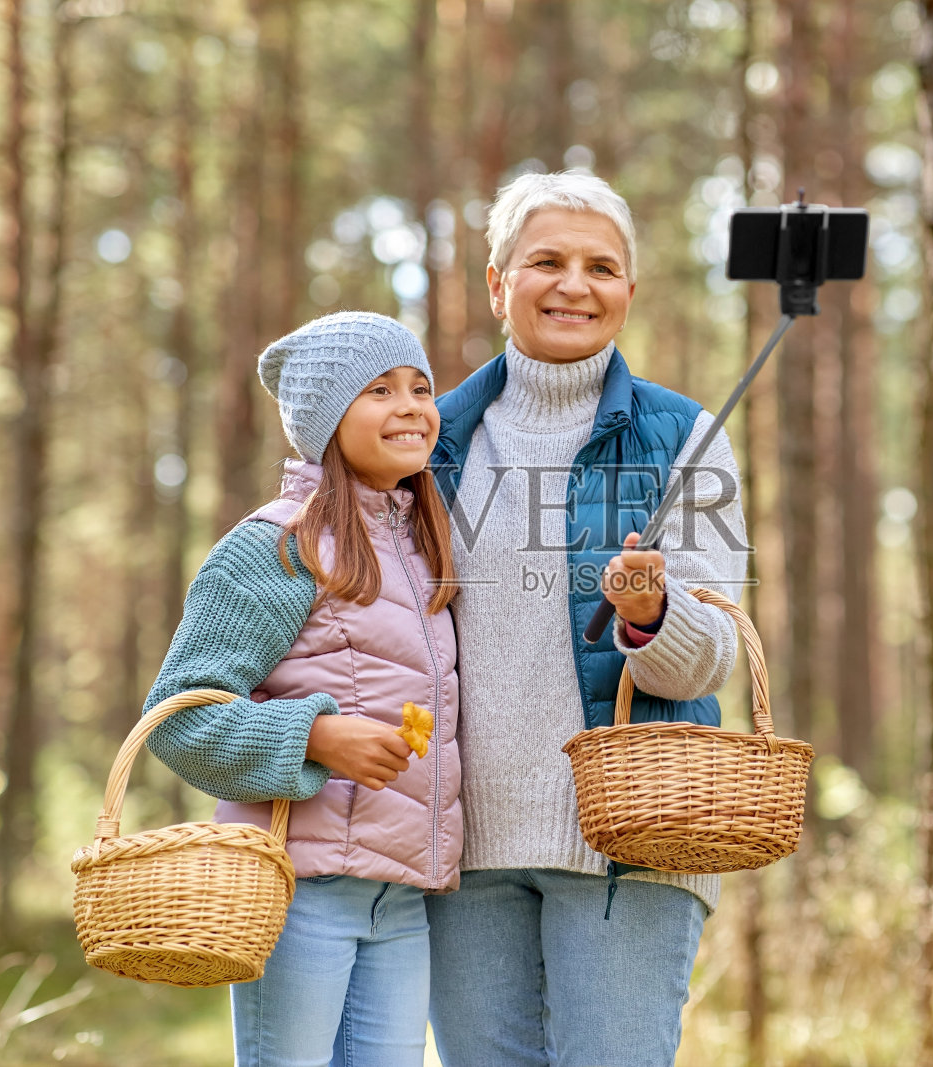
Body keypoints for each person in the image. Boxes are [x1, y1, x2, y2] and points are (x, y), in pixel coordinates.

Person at [426, 171, 749, 1066]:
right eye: (548, 262)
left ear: (630, 293)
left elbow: (706, 661)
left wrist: (652, 613)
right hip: (462, 846)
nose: (576, 284)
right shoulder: (430, 438)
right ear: (498, 283)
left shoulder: (686, 437)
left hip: (632, 842)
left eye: (602, 266)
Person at [142, 311, 460, 1067]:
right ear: (324, 420)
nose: (411, 405)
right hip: (299, 889)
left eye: (420, 387)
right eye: (379, 390)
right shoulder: (277, 545)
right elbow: (176, 715)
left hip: (403, 895)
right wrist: (313, 736)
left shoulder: (424, 549)